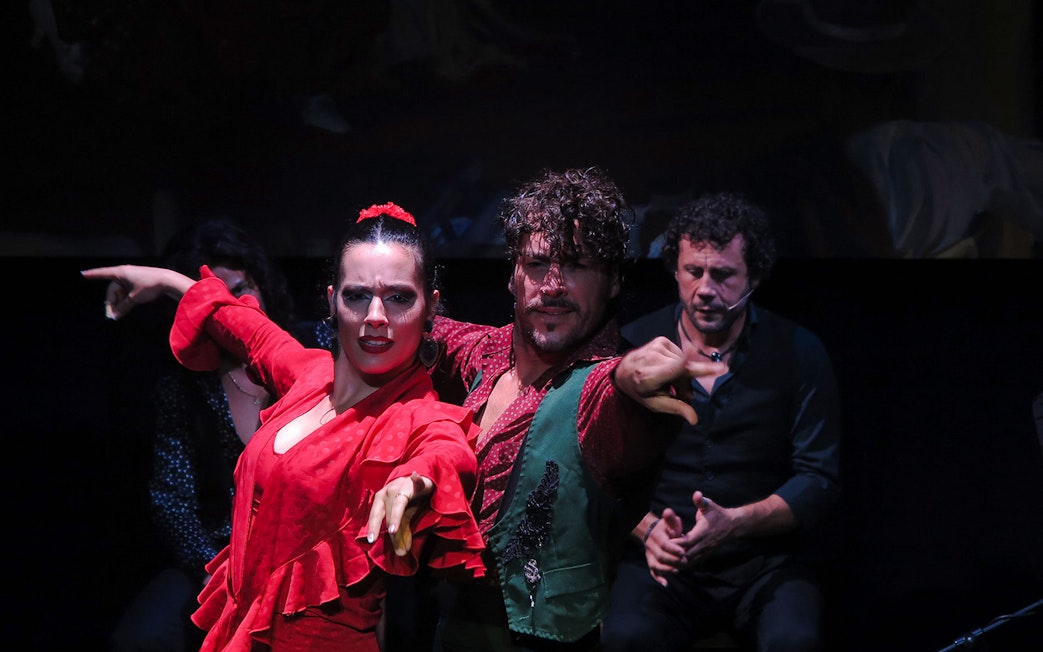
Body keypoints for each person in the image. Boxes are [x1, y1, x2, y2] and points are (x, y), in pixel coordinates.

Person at [84, 202, 486, 651]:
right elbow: (238, 322)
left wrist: (416, 481)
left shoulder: (417, 414)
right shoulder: (307, 373)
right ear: (332, 300)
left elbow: (448, 451)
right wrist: (165, 281)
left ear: (430, 306)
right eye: (357, 295)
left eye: (398, 297)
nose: (375, 315)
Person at [428, 166, 721, 651]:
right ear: (514, 276)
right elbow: (416, 334)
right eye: (539, 264)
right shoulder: (486, 351)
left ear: (611, 283)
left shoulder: (603, 385)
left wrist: (629, 380)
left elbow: (616, 405)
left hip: (548, 637)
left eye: (578, 265)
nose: (554, 285)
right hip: (450, 626)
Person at [600, 192, 842, 651]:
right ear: (675, 270)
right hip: (661, 563)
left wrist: (736, 522)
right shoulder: (633, 348)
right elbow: (593, 468)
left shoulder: (799, 351)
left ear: (753, 276)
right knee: (628, 638)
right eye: (694, 272)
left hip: (765, 564)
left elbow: (818, 478)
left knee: (794, 639)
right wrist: (647, 529)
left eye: (724, 275)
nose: (705, 289)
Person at [109, 219, 301, 652]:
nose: (228, 307)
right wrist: (212, 571)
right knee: (145, 635)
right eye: (210, 298)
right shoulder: (182, 388)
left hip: (301, 548)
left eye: (239, 289)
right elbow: (171, 497)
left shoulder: (308, 354)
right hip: (218, 554)